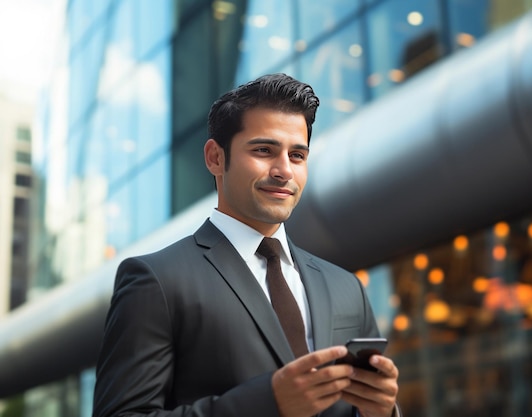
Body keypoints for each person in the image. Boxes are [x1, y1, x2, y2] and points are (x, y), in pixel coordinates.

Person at [93, 73, 400, 417]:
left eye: (297, 156)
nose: (284, 171)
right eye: (264, 150)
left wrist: (383, 412)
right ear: (215, 158)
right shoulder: (157, 280)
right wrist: (269, 403)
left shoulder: (347, 288)